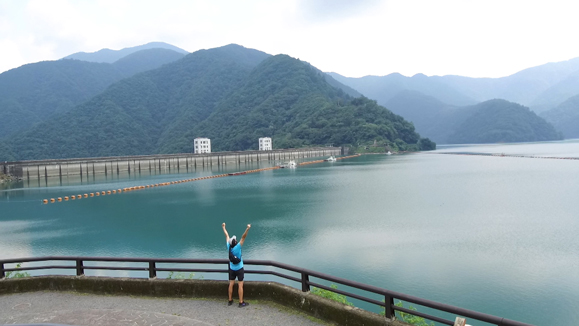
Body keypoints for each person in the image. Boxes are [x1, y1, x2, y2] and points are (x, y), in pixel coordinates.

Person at [222, 222, 251, 307]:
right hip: (239, 268)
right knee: (240, 285)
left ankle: (230, 300)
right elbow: (243, 237)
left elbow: (226, 236)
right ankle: (241, 302)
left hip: (231, 268)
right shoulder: (238, 247)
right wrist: (247, 228)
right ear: (236, 242)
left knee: (231, 284)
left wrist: (224, 227)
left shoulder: (229, 246)